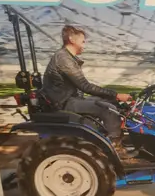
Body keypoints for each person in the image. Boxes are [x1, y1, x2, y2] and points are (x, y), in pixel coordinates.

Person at [39, 26, 137, 159]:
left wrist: (113, 97)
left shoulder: (67, 57)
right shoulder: (63, 58)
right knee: (109, 109)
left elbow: (82, 87)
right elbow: (85, 86)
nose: (84, 45)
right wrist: (116, 94)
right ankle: (115, 148)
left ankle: (113, 135)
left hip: (68, 98)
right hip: (63, 102)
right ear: (72, 39)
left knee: (111, 102)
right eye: (83, 41)